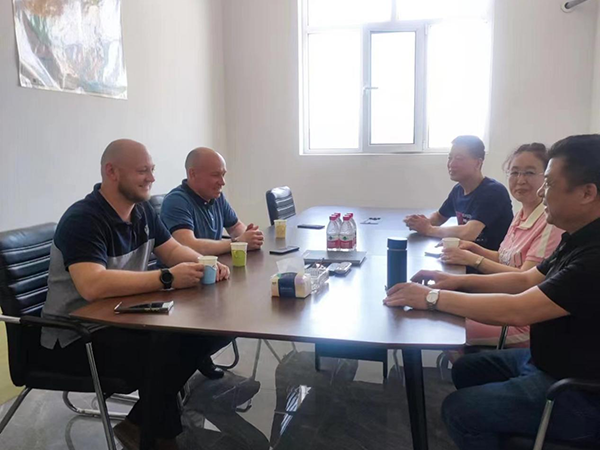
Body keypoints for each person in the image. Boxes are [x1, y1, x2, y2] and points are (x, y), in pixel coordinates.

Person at [384, 134, 600, 449]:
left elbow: (519, 309)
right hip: (544, 361)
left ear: (587, 193)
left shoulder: (594, 258)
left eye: (549, 183)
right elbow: (526, 280)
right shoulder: (577, 237)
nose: (541, 191)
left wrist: (432, 298)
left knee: (459, 410)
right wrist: (455, 281)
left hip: (576, 392)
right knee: (467, 369)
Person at [40, 139, 230, 450]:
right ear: (111, 172)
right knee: (167, 347)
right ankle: (157, 438)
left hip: (123, 318)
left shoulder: (142, 211)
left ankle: (140, 424)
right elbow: (92, 285)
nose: (151, 178)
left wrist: (205, 262)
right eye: (143, 171)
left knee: (211, 329)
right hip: (76, 335)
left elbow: (172, 250)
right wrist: (167, 278)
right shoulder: (83, 219)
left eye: (152, 170)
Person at [441, 143, 563, 349]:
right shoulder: (521, 214)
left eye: (529, 172)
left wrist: (474, 260)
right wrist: (474, 249)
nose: (520, 180)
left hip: (522, 320)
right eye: (514, 172)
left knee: (446, 326)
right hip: (500, 302)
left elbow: (525, 279)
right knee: (443, 315)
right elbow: (505, 257)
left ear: (547, 178)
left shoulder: (550, 223)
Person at [404, 135, 513, 250]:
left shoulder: (493, 192)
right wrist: (421, 222)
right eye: (450, 158)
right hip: (466, 255)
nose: (451, 164)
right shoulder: (458, 190)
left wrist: (429, 229)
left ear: (478, 163)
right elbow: (439, 216)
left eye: (459, 158)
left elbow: (469, 233)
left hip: (491, 259)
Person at [160, 147, 264, 256]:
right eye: (215, 175)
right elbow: (188, 246)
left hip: (213, 264)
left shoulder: (216, 196)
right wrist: (237, 243)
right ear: (192, 174)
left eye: (223, 175)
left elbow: (235, 226)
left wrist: (250, 237)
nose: (222, 182)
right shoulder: (176, 201)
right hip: (184, 266)